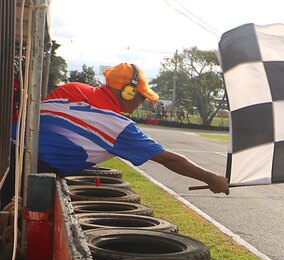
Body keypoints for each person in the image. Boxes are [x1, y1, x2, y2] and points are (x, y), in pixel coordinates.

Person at [38, 63, 229, 194]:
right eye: (142, 97)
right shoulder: (116, 126)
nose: (142, 102)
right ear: (128, 93)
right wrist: (211, 178)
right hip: (35, 173)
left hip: (15, 149)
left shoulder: (71, 88)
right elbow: (170, 160)